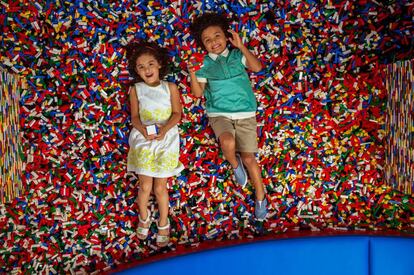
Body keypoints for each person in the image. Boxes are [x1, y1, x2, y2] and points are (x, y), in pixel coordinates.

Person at [188, 12, 268, 220]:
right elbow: (198, 93)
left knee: (250, 158)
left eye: (217, 36)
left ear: (226, 36)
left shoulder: (235, 55)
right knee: (227, 140)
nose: (214, 42)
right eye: (207, 40)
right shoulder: (203, 63)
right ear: (203, 45)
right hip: (219, 113)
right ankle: (234, 165)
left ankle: (261, 196)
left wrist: (241, 46)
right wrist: (192, 72)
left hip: (245, 113)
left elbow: (257, 67)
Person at [126, 41, 184, 247]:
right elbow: (134, 117)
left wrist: (164, 130)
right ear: (136, 71)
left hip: (166, 139)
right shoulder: (136, 89)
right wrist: (143, 131)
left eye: (150, 64)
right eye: (141, 67)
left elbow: (177, 114)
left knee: (160, 187)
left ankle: (163, 221)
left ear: (159, 64)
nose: (147, 70)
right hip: (143, 139)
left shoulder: (170, 87)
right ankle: (144, 216)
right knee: (144, 186)